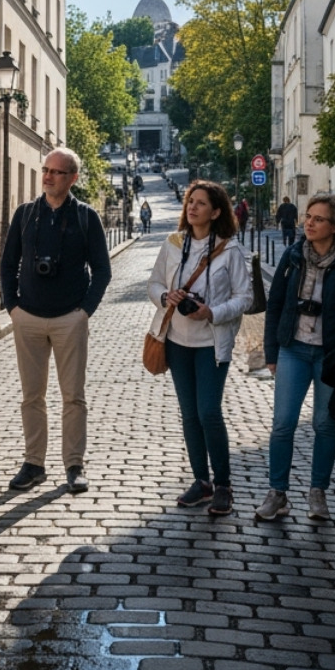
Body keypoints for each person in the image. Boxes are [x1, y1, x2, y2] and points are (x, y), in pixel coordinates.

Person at [1, 148, 112, 493]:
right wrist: (12, 308)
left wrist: (84, 313)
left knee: (73, 396)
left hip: (69, 319)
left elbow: (103, 271)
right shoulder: (25, 214)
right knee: (31, 396)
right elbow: (7, 264)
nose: (48, 176)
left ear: (73, 178)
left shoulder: (86, 217)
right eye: (45, 170)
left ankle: (74, 465)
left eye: (57, 172)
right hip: (28, 318)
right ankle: (33, 463)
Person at [147, 180, 251, 515]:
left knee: (208, 412)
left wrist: (213, 312)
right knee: (190, 415)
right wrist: (167, 297)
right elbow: (155, 283)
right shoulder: (174, 243)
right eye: (190, 201)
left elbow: (244, 298)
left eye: (201, 203)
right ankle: (201, 481)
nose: (192, 207)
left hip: (211, 344)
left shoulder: (230, 250)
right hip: (177, 342)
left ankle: (223, 484)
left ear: (216, 211)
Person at [257, 195, 335, 523]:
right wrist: (271, 351)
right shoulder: (292, 254)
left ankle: (318, 493)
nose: (309, 223)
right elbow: (274, 305)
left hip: (331, 353)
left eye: (318, 219)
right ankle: (278, 493)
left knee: (324, 424)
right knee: (283, 423)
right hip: (293, 347)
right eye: (308, 217)